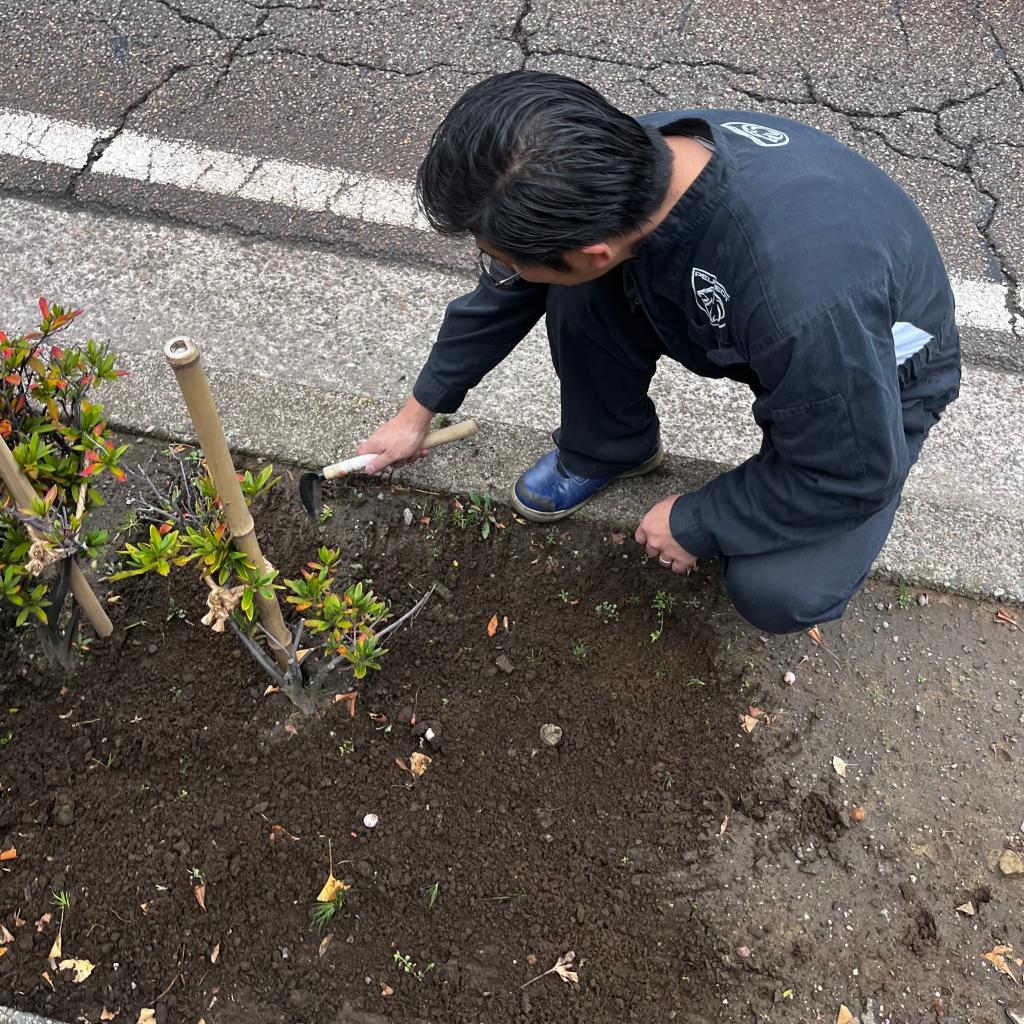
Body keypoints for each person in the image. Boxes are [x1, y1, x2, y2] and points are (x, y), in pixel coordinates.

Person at [356, 71, 960, 634]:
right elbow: (504, 297)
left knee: (777, 589)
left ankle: (807, 493)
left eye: (507, 257)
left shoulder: (800, 303)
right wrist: (417, 414)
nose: (501, 269)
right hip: (792, 319)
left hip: (876, 369)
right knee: (574, 296)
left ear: (593, 250)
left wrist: (697, 519)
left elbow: (850, 470)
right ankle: (608, 450)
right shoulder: (616, 166)